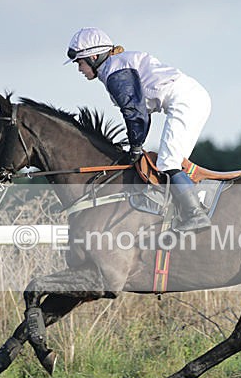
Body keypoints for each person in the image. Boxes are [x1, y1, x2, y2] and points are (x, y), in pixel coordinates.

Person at [65, 27, 212, 231]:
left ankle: (196, 215)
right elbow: (142, 114)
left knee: (168, 162)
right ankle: (188, 206)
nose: (79, 69)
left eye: (80, 62)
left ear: (94, 56)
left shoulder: (115, 72)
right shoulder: (116, 66)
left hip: (185, 100)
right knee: (173, 163)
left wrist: (135, 147)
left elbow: (135, 113)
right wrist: (137, 145)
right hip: (191, 97)